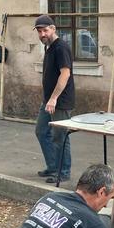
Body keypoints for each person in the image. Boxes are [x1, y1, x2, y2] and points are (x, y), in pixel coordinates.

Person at [34, 14, 75, 184]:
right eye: (39, 31)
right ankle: (52, 167)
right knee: (41, 131)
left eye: (45, 30)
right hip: (49, 100)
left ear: (53, 29)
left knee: (60, 136)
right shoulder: (49, 47)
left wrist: (53, 99)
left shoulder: (61, 47)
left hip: (60, 102)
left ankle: (63, 172)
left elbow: (65, 74)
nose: (42, 34)